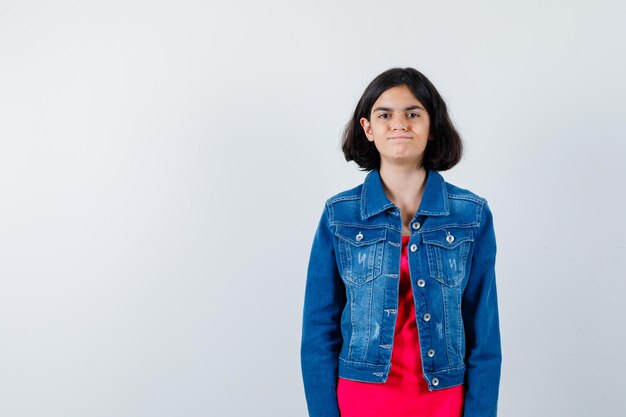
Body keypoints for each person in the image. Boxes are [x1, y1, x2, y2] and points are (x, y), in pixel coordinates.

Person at [300, 67, 501, 417]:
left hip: (443, 401)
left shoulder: (471, 215)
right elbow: (318, 331)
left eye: (412, 113)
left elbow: (484, 336)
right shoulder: (339, 215)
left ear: (432, 126)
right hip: (361, 400)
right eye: (385, 114)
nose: (399, 124)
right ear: (368, 129)